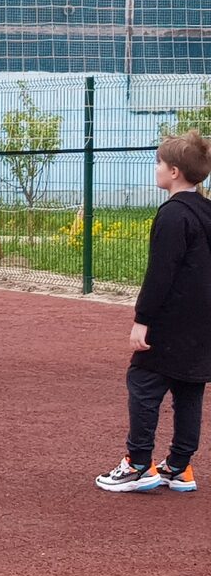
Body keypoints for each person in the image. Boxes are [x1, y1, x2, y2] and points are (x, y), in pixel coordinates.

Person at [96, 129, 211, 493]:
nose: (156, 168)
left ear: (175, 171)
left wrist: (142, 320)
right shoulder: (206, 211)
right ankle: (179, 465)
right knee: (189, 390)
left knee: (143, 382)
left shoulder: (173, 215)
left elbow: (161, 274)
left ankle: (138, 463)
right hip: (204, 320)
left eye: (159, 163)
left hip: (172, 320)